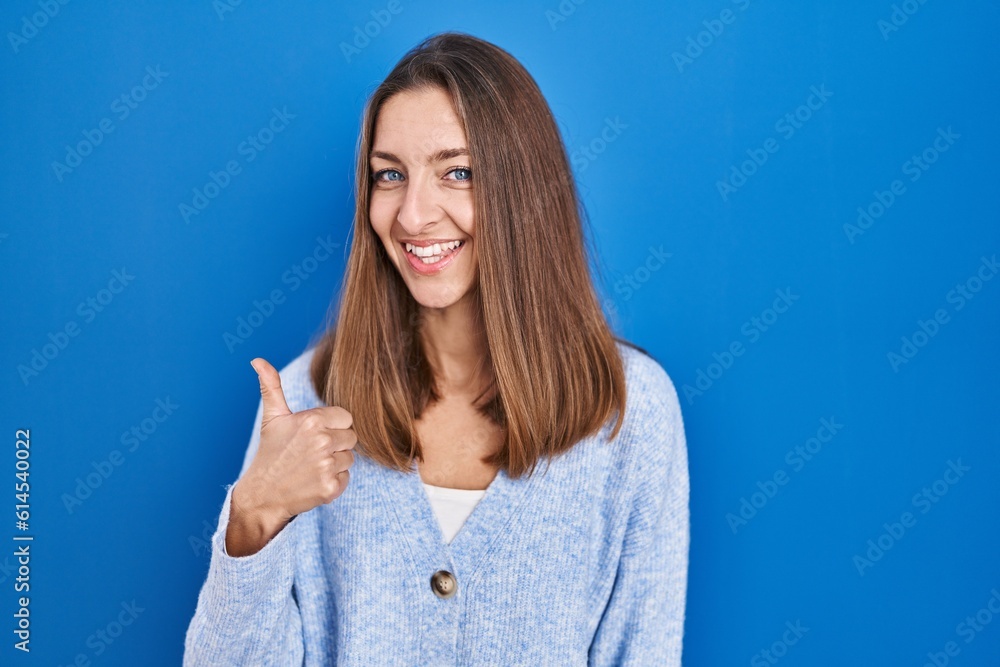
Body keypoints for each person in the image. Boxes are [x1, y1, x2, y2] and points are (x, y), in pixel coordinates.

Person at [184, 31, 689, 666]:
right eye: (390, 175)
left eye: (458, 172)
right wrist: (255, 515)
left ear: (524, 189)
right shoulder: (304, 404)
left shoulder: (630, 410)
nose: (412, 215)